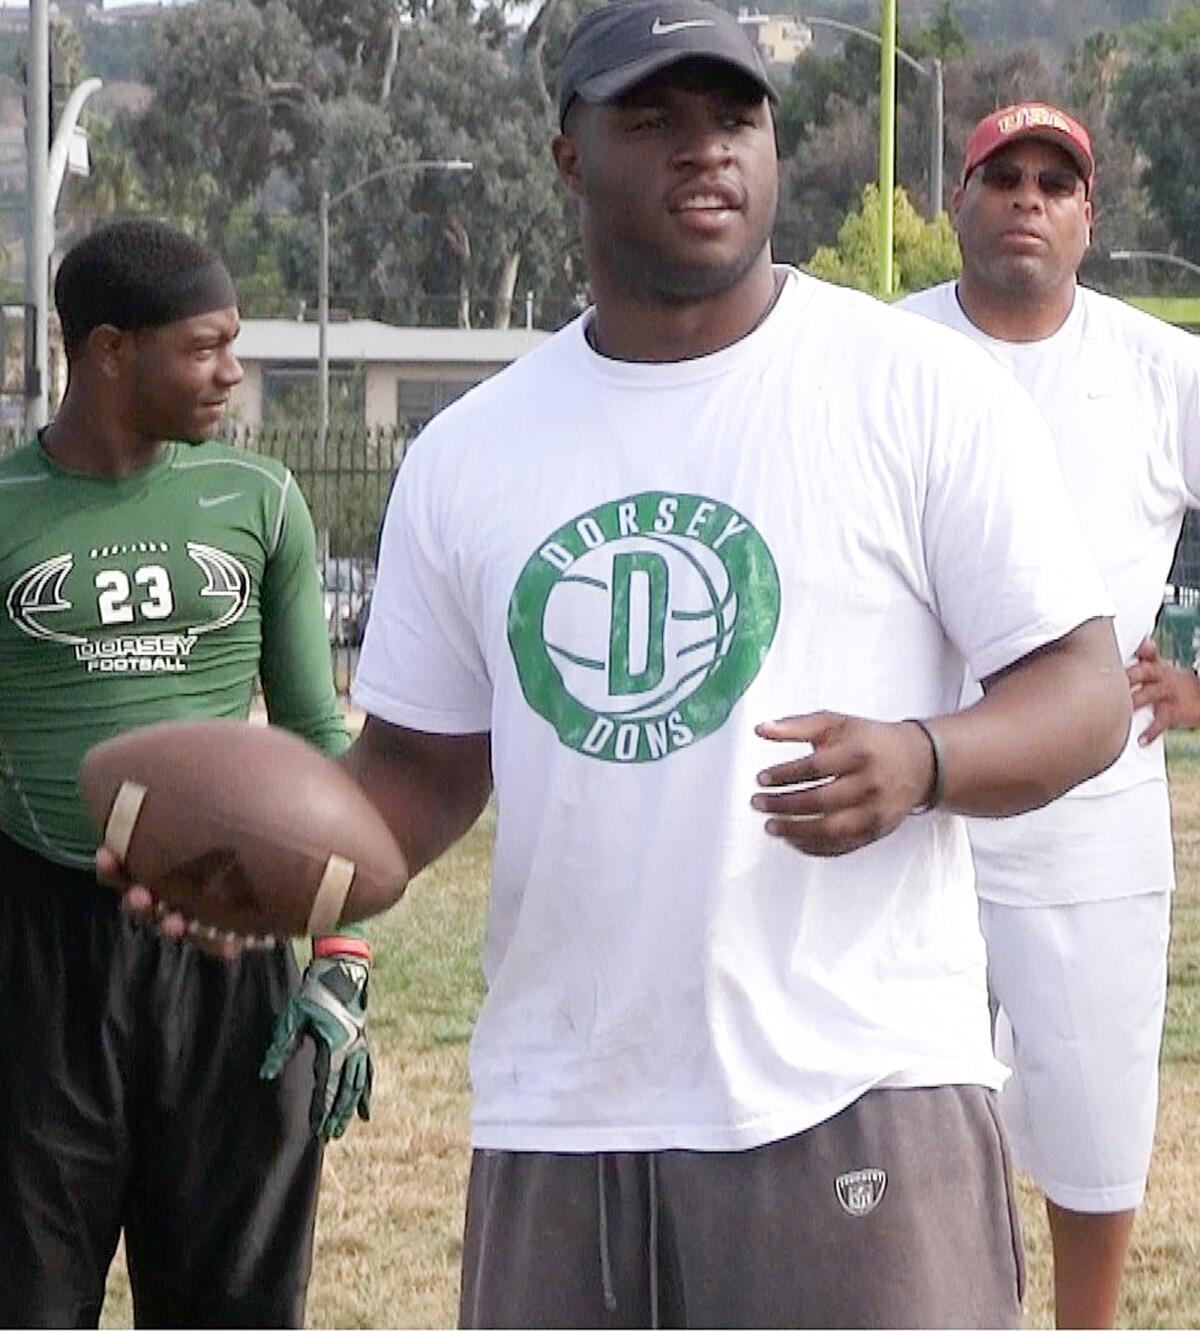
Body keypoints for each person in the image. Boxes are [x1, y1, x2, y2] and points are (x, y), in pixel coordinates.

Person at [125, 8, 1129, 1325]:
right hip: (563, 1108)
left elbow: (1085, 691)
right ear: (566, 152)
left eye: (734, 117)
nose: (703, 149)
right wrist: (249, 862)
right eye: (654, 119)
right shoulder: (477, 451)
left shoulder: (911, 387)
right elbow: (416, 772)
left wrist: (923, 760)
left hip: (852, 1087)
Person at [0, 219, 373, 1328]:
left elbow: (316, 728)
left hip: (229, 946)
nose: (231, 372)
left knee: (237, 1306)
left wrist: (344, 954)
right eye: (205, 347)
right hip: (37, 953)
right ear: (110, 350)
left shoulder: (259, 502)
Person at [901, 104, 1200, 1329]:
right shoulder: (887, 351)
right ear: (959, 202)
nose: (1027, 197)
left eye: (1054, 182)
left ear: (1089, 218)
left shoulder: (1159, 366)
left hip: (1095, 813)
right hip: (918, 804)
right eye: (1001, 176)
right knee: (907, 1109)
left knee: (1091, 1123)